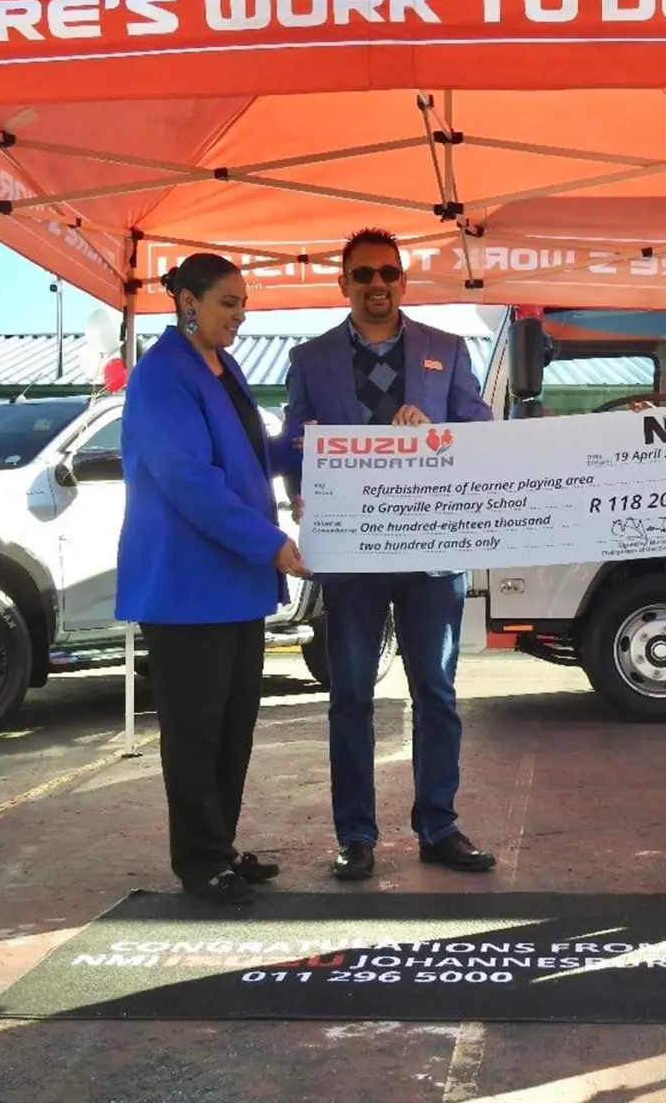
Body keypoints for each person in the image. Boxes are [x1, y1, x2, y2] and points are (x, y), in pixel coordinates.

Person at [283, 227, 497, 881]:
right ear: (343, 283)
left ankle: (439, 827)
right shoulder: (309, 359)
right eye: (364, 275)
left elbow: (482, 434)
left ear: (402, 282)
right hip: (350, 557)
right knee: (349, 695)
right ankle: (355, 837)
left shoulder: (447, 350)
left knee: (435, 691)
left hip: (432, 553)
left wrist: (438, 433)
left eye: (388, 274)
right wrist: (302, 495)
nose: (377, 285)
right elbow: (295, 442)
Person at [117, 252, 311, 905]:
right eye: (229, 302)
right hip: (186, 583)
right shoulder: (160, 376)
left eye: (243, 303)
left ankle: (220, 845)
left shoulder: (223, 368)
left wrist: (328, 445)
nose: (240, 315)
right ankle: (199, 864)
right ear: (188, 302)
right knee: (196, 732)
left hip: (234, 582)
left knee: (234, 727)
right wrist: (272, 545)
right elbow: (189, 480)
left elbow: (254, 456)